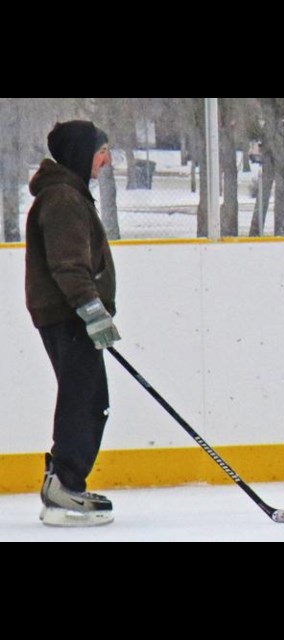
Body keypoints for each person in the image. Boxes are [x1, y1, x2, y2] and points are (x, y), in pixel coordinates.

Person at [25, 121, 121, 527]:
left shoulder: (68, 193)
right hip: (69, 315)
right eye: (102, 150)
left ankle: (65, 484)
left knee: (86, 397)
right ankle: (65, 486)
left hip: (68, 314)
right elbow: (68, 265)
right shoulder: (64, 197)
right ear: (83, 152)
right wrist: (92, 312)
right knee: (85, 400)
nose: (107, 159)